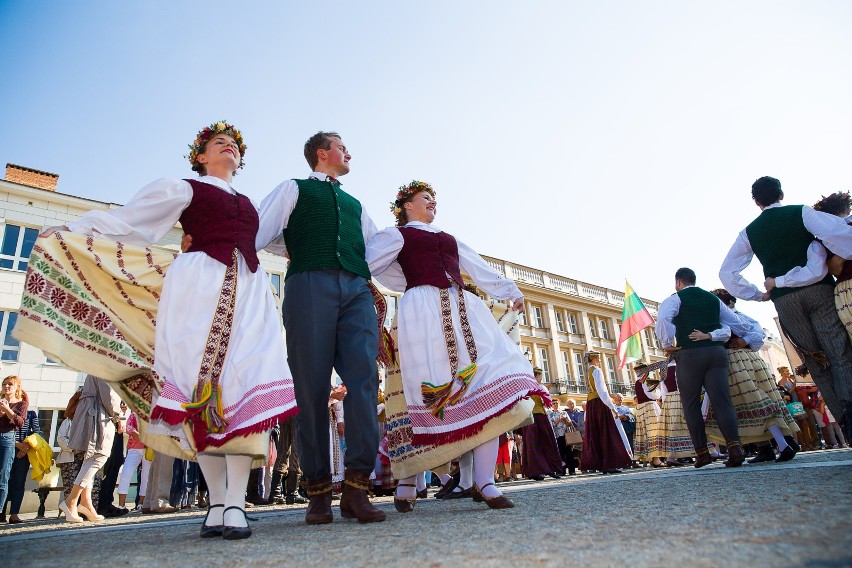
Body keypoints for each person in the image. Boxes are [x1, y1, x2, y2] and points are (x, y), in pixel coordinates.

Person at [40, 121, 297, 539]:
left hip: (250, 294)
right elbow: (132, 221)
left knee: (243, 387)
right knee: (203, 391)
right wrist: (74, 231)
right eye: (219, 142)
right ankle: (218, 503)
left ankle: (235, 502)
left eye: (234, 144)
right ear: (201, 156)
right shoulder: (185, 188)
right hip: (200, 289)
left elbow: (272, 238)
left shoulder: (251, 202)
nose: (228, 146)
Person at [366, 180, 549, 511]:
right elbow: (371, 267)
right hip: (422, 316)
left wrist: (510, 291)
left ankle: (485, 481)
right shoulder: (397, 236)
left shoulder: (449, 239)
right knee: (422, 393)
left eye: (434, 198)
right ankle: (408, 481)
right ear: (407, 205)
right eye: (426, 198)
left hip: (463, 310)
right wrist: (411, 286)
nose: (433, 202)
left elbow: (478, 268)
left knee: (485, 381)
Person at [256, 132, 383, 525]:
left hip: (356, 288)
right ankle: (318, 492)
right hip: (309, 282)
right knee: (310, 385)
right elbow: (261, 233)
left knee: (364, 380)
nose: (350, 153)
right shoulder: (292, 189)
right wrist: (299, 245)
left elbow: (376, 249)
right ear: (323, 153)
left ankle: (358, 487)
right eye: (343, 147)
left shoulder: (355, 204)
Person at [719, 176, 852, 442]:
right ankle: (850, 408)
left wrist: (758, 294)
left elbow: (727, 273)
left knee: (816, 362)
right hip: (820, 291)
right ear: (781, 193)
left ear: (756, 202)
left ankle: (846, 424)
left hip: (785, 300)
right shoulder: (801, 212)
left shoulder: (749, 231)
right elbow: (843, 237)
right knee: (839, 354)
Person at [656, 267, 752, 468]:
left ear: (678, 282)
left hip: (689, 354)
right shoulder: (712, 299)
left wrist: (666, 344)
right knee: (722, 401)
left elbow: (663, 319)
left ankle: (702, 453)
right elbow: (737, 323)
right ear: (694, 280)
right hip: (716, 353)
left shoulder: (675, 299)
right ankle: (735, 447)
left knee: (690, 403)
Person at [705, 289, 798, 462]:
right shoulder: (736, 316)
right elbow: (757, 333)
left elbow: (757, 334)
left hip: (734, 361)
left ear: (728, 302)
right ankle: (769, 447)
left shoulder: (725, 317)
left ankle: (782, 444)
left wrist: (743, 340)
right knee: (756, 402)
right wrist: (746, 340)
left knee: (751, 402)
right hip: (750, 358)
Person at [59, 375, 122, 523]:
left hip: (91, 410)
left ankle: (86, 503)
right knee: (98, 456)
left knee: (90, 458)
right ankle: (71, 501)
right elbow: (109, 393)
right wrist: (119, 416)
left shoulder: (100, 358)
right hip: (98, 413)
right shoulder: (107, 359)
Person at [580, 352, 633, 474]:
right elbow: (602, 390)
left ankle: (598, 463)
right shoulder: (597, 371)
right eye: (598, 358)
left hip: (591, 403)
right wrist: (611, 406)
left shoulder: (588, 372)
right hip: (600, 403)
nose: (599, 360)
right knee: (606, 432)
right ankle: (609, 464)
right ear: (593, 359)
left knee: (595, 433)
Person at [812, 191, 852, 344]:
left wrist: (841, 253)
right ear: (847, 208)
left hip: (846, 290)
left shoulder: (822, 237)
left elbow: (835, 269)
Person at [518, 368, 564, 481]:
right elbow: (546, 403)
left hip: (529, 418)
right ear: (537, 376)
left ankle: (535, 471)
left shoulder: (525, 387)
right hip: (540, 417)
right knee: (546, 442)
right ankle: (550, 469)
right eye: (540, 376)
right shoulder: (540, 387)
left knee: (532, 445)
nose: (541, 378)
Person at [4, 402, 38, 524]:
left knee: (18, 482)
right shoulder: (4, 412)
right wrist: (17, 444)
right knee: (4, 481)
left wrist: (27, 446)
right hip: (6, 448)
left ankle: (14, 514)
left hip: (22, 454)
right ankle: (1, 513)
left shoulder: (30, 414)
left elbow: (37, 432)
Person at [0, 376, 28, 521]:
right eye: (4, 384)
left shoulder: (21, 405)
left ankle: (1, 512)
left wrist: (7, 411)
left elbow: (20, 422)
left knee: (3, 477)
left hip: (7, 438)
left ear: (17, 387)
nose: (6, 386)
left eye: (10, 384)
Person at [631, 363, 665, 467]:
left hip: (641, 409)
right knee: (654, 431)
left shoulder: (637, 382)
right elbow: (651, 394)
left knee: (645, 433)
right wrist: (658, 392)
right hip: (650, 407)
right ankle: (656, 460)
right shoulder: (646, 380)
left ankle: (649, 458)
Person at [117, 411, 151, 511]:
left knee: (146, 477)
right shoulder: (134, 413)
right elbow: (129, 429)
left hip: (149, 449)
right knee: (126, 474)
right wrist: (146, 439)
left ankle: (141, 503)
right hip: (135, 448)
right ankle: (121, 505)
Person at [548, 400, 574, 475]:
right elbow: (552, 426)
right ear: (551, 405)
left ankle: (572, 470)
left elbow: (569, 423)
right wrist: (559, 420)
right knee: (560, 453)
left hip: (566, 435)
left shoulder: (564, 412)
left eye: (557, 403)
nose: (555, 405)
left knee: (569, 452)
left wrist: (565, 420)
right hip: (557, 436)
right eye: (554, 404)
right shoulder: (551, 414)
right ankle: (561, 470)